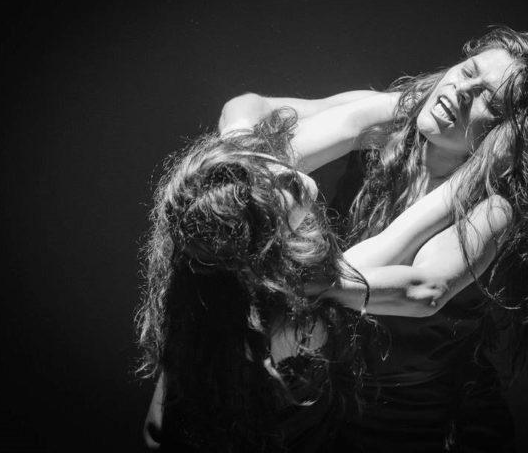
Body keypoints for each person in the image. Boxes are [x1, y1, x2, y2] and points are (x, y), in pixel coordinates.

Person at [219, 26, 528, 451]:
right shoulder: (388, 120)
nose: (460, 90)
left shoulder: (493, 208)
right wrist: (238, 147)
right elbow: (251, 105)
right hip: (329, 388)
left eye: (487, 99)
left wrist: (305, 281)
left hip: (410, 414)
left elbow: (425, 288)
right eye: (467, 70)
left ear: (508, 135)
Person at [135, 112, 366, 452]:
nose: (283, 174)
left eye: (261, 167)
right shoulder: (289, 319)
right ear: (262, 252)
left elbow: (242, 106)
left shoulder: (205, 284)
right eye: (269, 198)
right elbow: (423, 284)